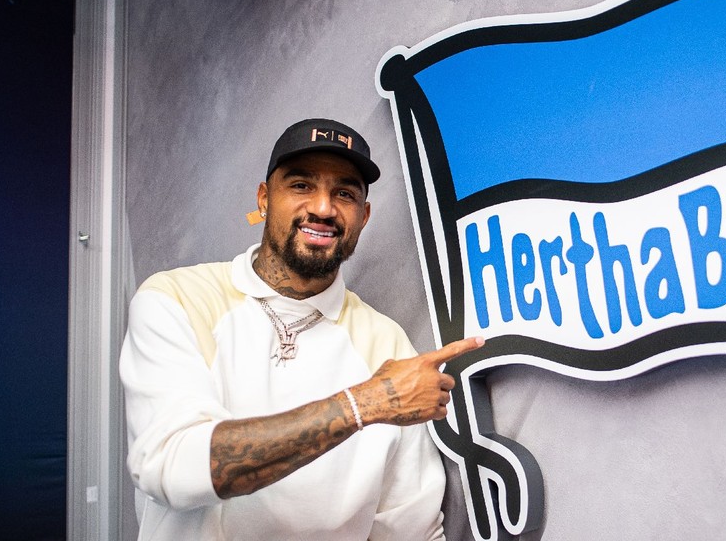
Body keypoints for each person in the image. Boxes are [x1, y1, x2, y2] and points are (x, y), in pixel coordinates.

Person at [119, 118, 483, 540]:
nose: (323, 208)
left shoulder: (387, 345)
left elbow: (411, 528)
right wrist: (364, 404)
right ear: (264, 198)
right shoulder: (177, 300)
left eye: (344, 193)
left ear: (363, 216)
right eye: (301, 185)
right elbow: (173, 467)